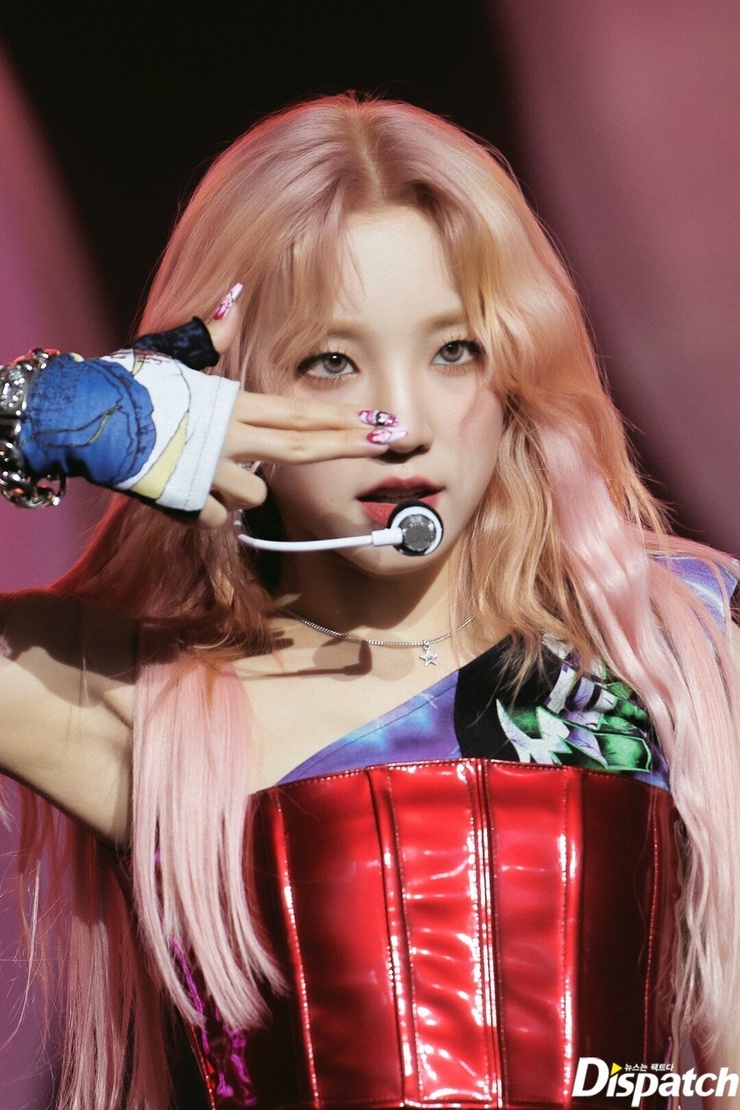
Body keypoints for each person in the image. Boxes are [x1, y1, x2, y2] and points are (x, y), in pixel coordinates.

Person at [0, 94, 738, 1110]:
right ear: (227, 388)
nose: (401, 423)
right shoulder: (137, 698)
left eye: (453, 350)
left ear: (516, 370)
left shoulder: (678, 643)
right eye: (330, 362)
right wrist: (31, 419)